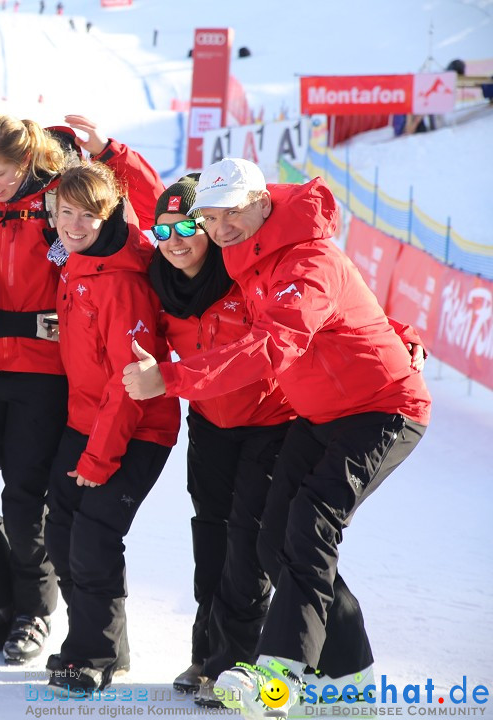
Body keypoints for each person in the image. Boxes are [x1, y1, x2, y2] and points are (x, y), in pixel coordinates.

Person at [123, 159, 431, 719]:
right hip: (317, 414)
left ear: (263, 201)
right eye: (211, 219)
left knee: (310, 529)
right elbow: (164, 214)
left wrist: (169, 378)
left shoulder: (307, 259)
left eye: (232, 213)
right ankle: (350, 679)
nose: (220, 229)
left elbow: (275, 343)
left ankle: (279, 677)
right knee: (272, 539)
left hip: (381, 410)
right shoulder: (252, 253)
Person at [0, 113, 164, 665]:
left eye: (3, 173)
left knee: (24, 503)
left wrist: (111, 150)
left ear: (26, 160)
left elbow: (136, 206)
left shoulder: (61, 196)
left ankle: (32, 611)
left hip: (44, 374)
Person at [146, 175, 294, 702]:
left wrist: (403, 335)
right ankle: (205, 655)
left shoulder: (245, 275)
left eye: (189, 225)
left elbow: (323, 308)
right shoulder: (161, 283)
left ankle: (236, 663)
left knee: (247, 541)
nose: (176, 239)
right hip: (209, 424)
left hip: (271, 422)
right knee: (209, 537)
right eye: (163, 229)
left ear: (210, 227)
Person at [43, 162, 179, 691]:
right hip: (84, 420)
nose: (74, 225)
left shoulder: (122, 282)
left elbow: (130, 386)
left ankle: (92, 655)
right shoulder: (76, 259)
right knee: (60, 532)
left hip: (136, 427)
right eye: (65, 213)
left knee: (94, 538)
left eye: (87, 215)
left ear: (111, 213)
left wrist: (99, 459)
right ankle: (103, 641)